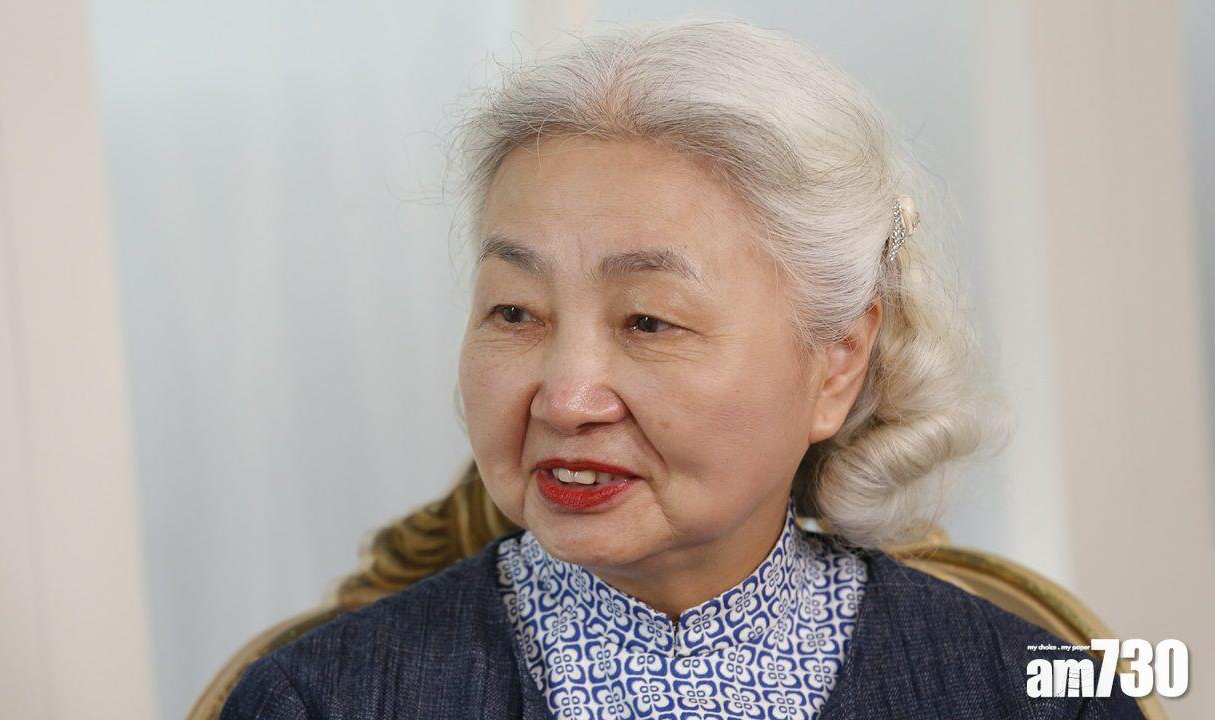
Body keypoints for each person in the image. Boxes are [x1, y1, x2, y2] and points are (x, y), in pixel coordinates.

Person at [220, 16, 1144, 719]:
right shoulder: (321, 700)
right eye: (515, 312)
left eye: (649, 321)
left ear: (838, 361)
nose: (567, 397)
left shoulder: (1030, 696)